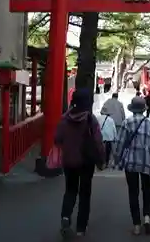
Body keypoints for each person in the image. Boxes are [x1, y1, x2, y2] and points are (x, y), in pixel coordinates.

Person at [54, 89, 105, 238]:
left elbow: (57, 139)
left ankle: (65, 217)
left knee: (70, 190)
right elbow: (98, 142)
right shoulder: (90, 119)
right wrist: (101, 159)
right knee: (84, 194)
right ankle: (81, 228)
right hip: (86, 162)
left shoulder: (64, 119)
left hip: (69, 161)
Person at [113, 96, 150, 236]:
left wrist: (116, 160)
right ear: (144, 109)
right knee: (147, 189)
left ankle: (136, 225)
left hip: (130, 163)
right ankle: (147, 218)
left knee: (133, 192)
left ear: (132, 109)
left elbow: (119, 143)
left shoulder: (127, 123)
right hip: (147, 162)